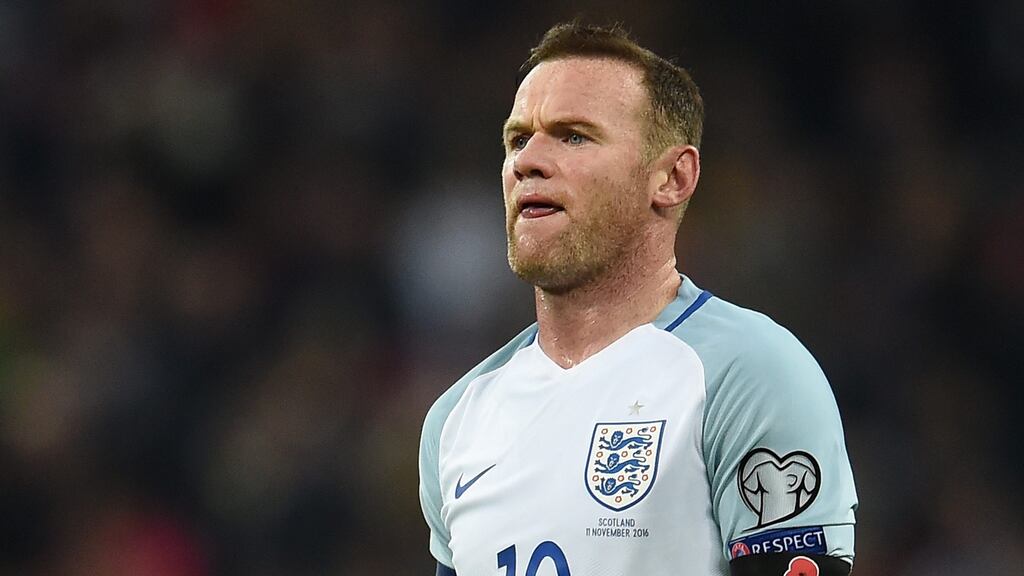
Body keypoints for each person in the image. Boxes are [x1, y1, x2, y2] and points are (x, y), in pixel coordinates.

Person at [418, 22, 857, 576]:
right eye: (517, 139)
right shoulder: (457, 419)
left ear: (673, 177)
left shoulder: (750, 375)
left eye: (574, 135)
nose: (529, 160)